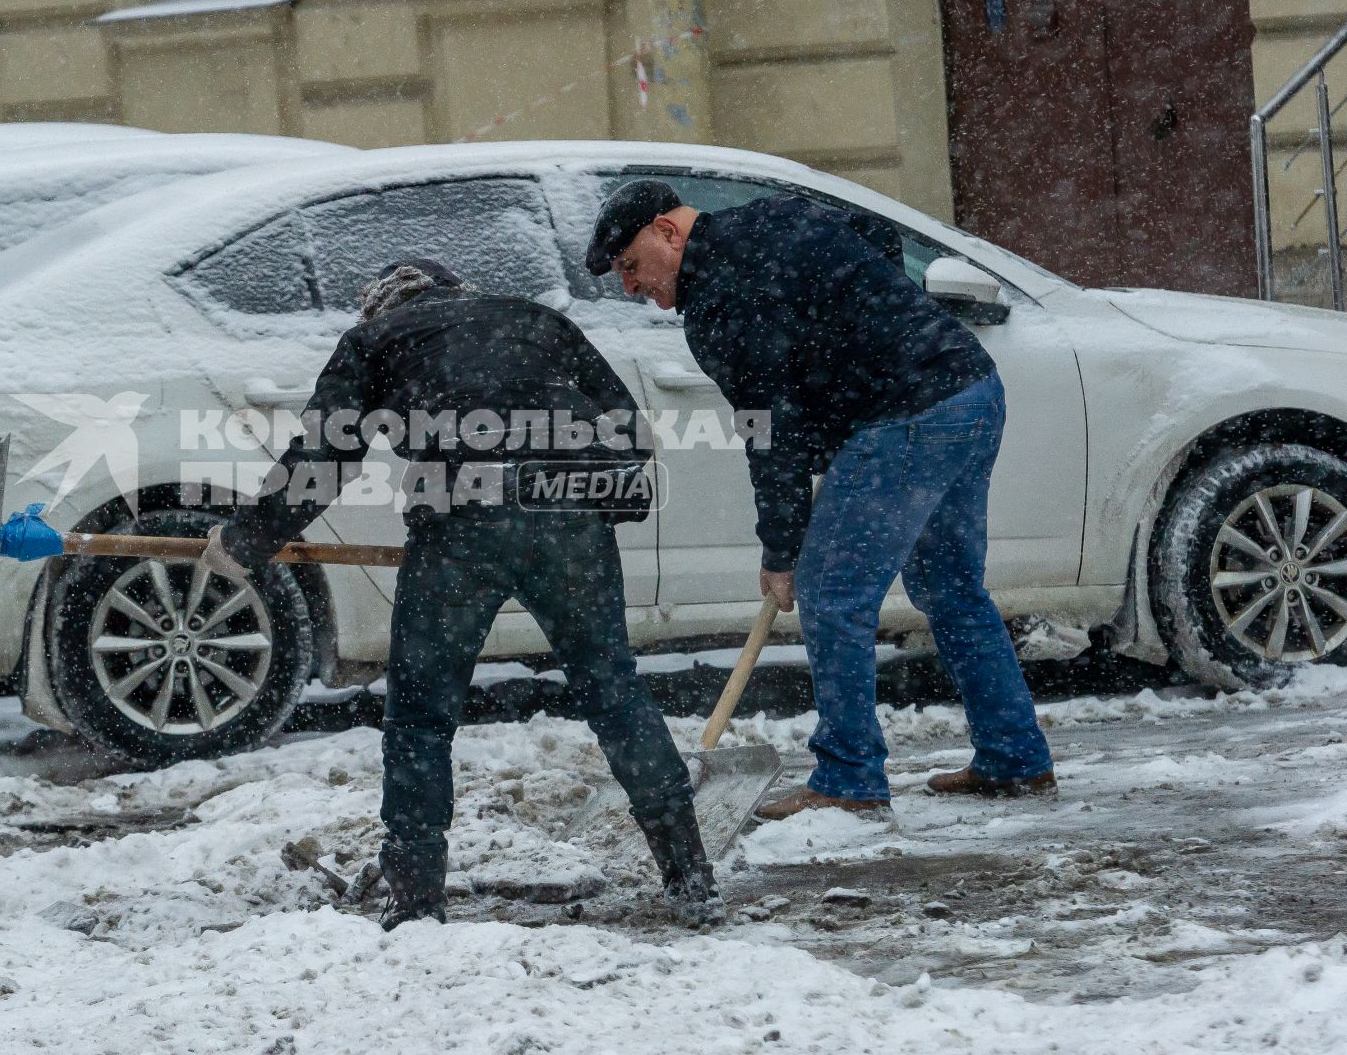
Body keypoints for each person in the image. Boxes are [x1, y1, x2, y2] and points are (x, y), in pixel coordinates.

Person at [201, 258, 722, 929]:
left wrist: (245, 541)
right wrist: (586, 508)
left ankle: (416, 897)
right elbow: (630, 433)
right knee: (613, 691)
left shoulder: (375, 342)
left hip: (458, 529)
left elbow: (323, 460)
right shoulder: (537, 320)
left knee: (421, 713)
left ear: (381, 308)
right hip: (567, 519)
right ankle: (689, 872)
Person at [584, 181, 1056, 819]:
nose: (631, 288)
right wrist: (866, 337)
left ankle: (848, 777)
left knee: (832, 595)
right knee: (951, 589)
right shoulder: (779, 215)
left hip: (906, 417)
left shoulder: (722, 301)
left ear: (668, 232)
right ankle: (1014, 758)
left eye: (631, 267)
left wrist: (782, 551)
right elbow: (877, 236)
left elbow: (768, 433)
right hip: (968, 388)